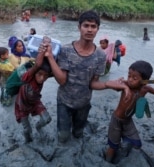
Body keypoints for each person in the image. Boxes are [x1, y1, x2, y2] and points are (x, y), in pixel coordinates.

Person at [42, 10, 130, 143]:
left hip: (84, 104)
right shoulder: (66, 50)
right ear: (79, 27)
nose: (89, 30)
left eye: (93, 26)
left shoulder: (101, 55)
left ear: (97, 29)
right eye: (86, 25)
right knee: (63, 137)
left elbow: (93, 84)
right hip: (64, 102)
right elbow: (61, 80)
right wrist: (50, 57)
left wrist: (109, 84)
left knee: (78, 133)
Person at [104, 60, 154, 163]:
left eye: (134, 78)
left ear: (144, 81)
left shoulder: (145, 89)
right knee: (113, 147)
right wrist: (124, 87)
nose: (130, 79)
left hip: (128, 121)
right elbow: (108, 83)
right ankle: (107, 162)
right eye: (129, 75)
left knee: (137, 144)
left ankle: (123, 152)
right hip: (116, 120)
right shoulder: (125, 85)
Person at [14, 37, 52, 143]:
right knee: (27, 129)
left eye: (45, 76)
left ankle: (38, 127)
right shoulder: (28, 76)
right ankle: (28, 141)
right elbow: (38, 65)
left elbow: (56, 69)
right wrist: (44, 45)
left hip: (35, 102)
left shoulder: (45, 75)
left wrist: (50, 52)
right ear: (34, 72)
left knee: (47, 119)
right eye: (39, 74)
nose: (42, 78)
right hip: (22, 105)